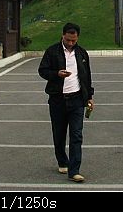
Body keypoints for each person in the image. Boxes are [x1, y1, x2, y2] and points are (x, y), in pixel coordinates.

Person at [38, 23, 94, 183]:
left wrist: (89, 96)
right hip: (58, 100)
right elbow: (42, 71)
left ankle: (74, 170)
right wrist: (57, 74)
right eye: (68, 40)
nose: (70, 43)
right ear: (63, 35)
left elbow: (87, 76)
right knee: (59, 134)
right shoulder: (52, 51)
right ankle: (62, 160)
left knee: (76, 135)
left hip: (77, 100)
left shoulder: (82, 53)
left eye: (73, 40)